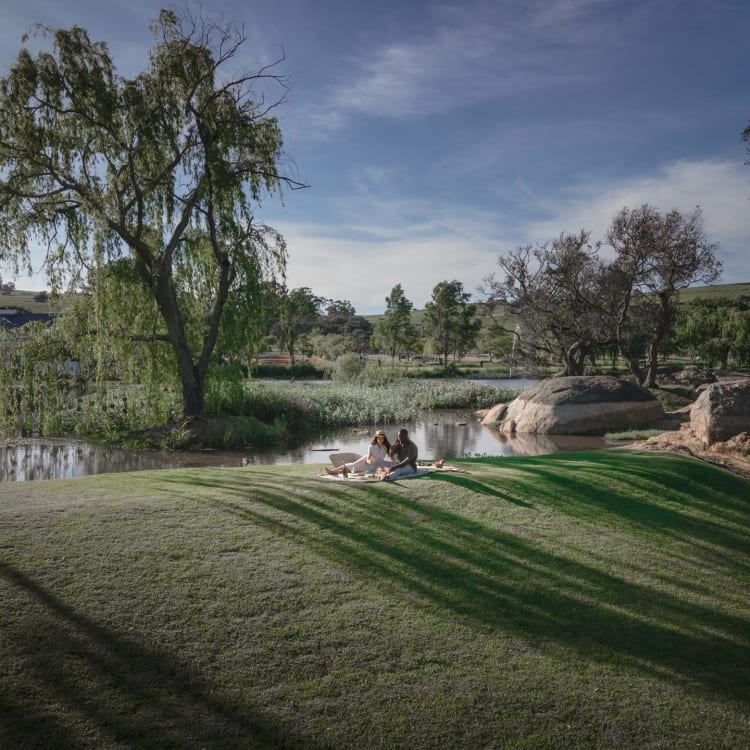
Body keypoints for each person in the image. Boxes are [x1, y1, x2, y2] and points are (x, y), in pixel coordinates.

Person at [324, 429, 392, 476]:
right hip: (366, 461)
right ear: (376, 438)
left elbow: (391, 455)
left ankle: (331, 472)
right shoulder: (371, 446)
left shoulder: (386, 447)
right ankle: (332, 471)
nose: (380, 439)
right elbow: (368, 458)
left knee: (352, 471)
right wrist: (369, 461)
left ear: (384, 439)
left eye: (382, 438)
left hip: (375, 465)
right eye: (378, 438)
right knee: (352, 465)